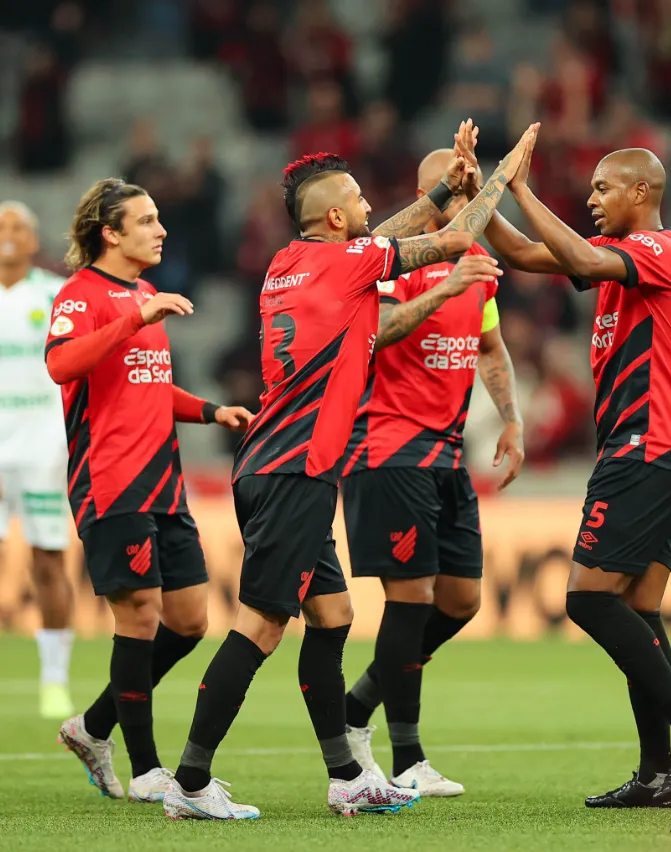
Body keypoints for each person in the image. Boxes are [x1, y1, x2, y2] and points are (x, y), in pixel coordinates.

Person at [164, 125, 537, 821]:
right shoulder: (348, 263)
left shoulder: (289, 262)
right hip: (294, 468)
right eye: (359, 199)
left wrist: (443, 188)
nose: (371, 206)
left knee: (332, 616)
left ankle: (346, 776)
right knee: (260, 628)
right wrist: (501, 176)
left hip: (278, 463)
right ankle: (190, 782)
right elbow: (455, 240)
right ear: (336, 217)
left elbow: (390, 232)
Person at [456, 122, 671, 807]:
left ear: (642, 191)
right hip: (653, 448)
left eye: (603, 188)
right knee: (639, 610)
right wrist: (482, 193)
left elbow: (574, 252)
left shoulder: (662, 250)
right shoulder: (615, 258)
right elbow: (524, 252)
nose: (592, 198)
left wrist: (521, 186)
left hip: (649, 446)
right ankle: (655, 773)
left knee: (586, 598)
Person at [49, 178, 253, 804]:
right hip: (110, 482)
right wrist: (134, 318)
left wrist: (210, 410)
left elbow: (147, 384)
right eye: (145, 221)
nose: (161, 230)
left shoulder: (143, 294)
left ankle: (92, 727)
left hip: (164, 483)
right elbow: (61, 364)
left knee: (189, 622)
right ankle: (145, 769)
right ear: (110, 233)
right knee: (138, 614)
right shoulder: (81, 295)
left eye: (158, 218)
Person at [340, 137, 525, 796]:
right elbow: (377, 332)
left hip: (445, 454)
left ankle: (356, 705)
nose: (469, 198)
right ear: (428, 196)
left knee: (460, 600)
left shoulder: (478, 265)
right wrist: (446, 283)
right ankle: (407, 758)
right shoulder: (392, 262)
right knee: (411, 598)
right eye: (457, 187)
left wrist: (511, 418)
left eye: (474, 187)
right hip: (387, 448)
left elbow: (490, 347)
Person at [0, 201, 74, 720]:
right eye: (1, 225)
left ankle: (54, 680)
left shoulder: (56, 296)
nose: (8, 232)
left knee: (48, 559)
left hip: (42, 445)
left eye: (18, 226)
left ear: (33, 239)